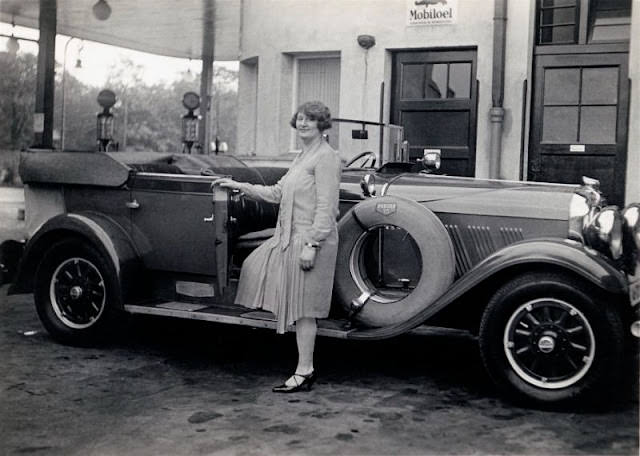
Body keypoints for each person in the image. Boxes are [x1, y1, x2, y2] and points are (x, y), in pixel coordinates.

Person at [213, 101, 342, 393]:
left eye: (310, 119)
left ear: (322, 124)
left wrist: (312, 244)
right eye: (300, 119)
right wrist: (238, 186)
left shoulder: (326, 158)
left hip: (311, 239)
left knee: (305, 310)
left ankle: (304, 371)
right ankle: (302, 368)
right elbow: (276, 193)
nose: (303, 123)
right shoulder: (302, 157)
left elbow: (327, 208)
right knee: (257, 270)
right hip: (289, 238)